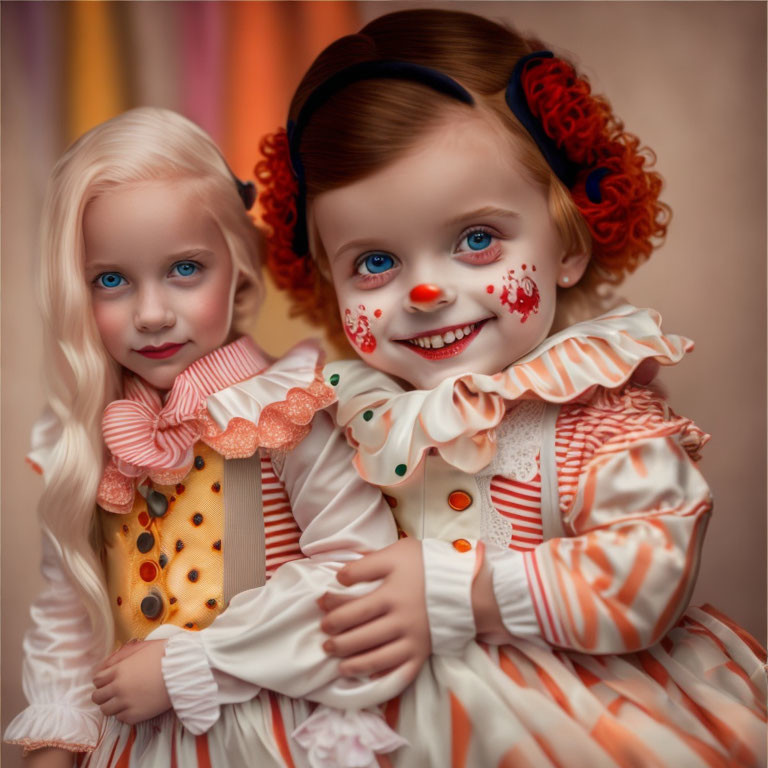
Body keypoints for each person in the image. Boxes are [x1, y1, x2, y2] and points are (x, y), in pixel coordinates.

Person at [258, 9, 767, 766]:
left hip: (579, 706)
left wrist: (463, 596)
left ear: (567, 240)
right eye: (374, 263)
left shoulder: (594, 412)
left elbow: (649, 567)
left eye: (475, 240)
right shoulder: (337, 422)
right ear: (326, 283)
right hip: (382, 718)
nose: (426, 292)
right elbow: (279, 581)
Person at [4, 107, 409, 768]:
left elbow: (356, 573)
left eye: (185, 269)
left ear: (238, 266)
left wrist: (196, 664)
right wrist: (56, 743)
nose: (153, 312)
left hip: (268, 725)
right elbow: (67, 616)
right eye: (112, 280)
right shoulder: (84, 438)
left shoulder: (284, 409)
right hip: (133, 745)